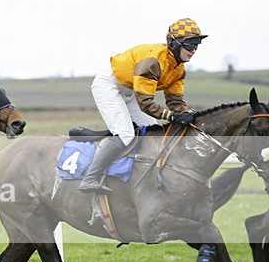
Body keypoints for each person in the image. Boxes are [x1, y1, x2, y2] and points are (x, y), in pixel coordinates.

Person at [78, 18, 207, 194]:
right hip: (110, 85)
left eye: (197, 45)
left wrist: (190, 115)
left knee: (150, 135)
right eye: (190, 45)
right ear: (174, 44)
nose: (194, 51)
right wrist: (171, 116)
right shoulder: (153, 62)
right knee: (125, 134)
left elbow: (175, 102)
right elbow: (145, 103)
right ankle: (90, 178)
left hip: (132, 90)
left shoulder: (178, 68)